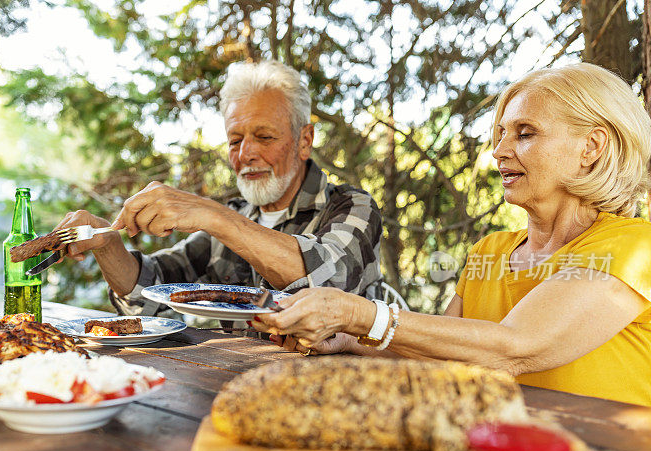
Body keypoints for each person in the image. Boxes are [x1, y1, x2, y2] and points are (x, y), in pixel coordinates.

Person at [253, 63, 651, 407]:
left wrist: (356, 312)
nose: (499, 150)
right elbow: (443, 361)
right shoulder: (490, 251)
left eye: (525, 133)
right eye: (500, 133)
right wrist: (348, 339)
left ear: (592, 147)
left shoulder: (635, 246)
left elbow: (515, 347)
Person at [53, 60, 383, 316]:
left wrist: (214, 216)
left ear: (304, 141)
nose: (246, 154)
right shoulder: (234, 219)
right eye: (235, 140)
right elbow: (147, 299)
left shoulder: (351, 207)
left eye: (265, 137)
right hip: (237, 387)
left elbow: (328, 279)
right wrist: (107, 244)